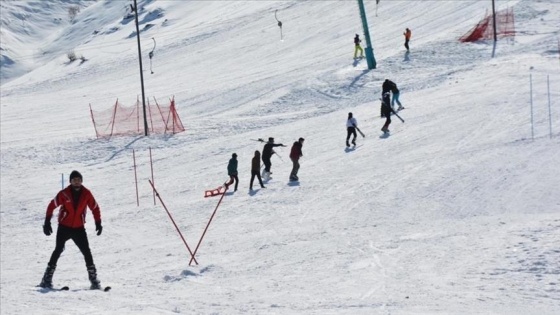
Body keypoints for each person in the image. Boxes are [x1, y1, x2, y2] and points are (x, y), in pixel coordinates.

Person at [39, 170, 103, 290]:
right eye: (74, 180)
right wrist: (47, 222)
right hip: (64, 227)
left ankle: (94, 280)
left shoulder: (86, 193)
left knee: (87, 252)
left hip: (79, 228)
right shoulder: (64, 193)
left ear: (81, 181)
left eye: (78, 180)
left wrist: (98, 222)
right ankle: (46, 279)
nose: (77, 182)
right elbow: (51, 205)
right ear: (70, 181)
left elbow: (95, 207)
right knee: (58, 250)